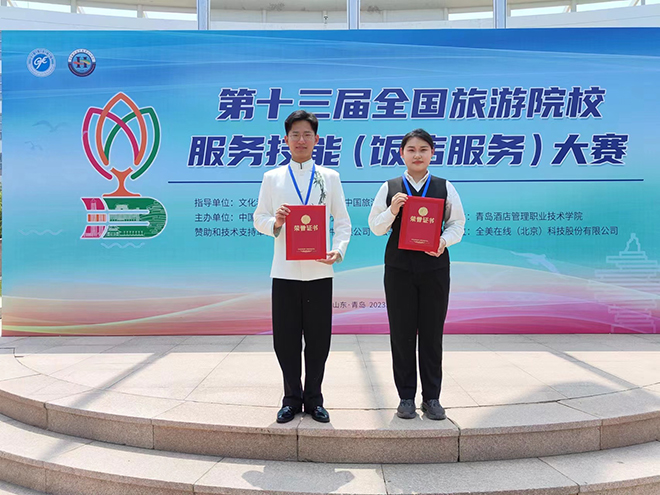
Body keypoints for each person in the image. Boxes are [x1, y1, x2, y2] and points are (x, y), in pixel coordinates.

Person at [254, 110, 351, 424]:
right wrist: (276, 222)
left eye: (307, 134)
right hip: (284, 272)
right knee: (285, 340)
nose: (301, 140)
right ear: (286, 139)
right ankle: (291, 399)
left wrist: (338, 250)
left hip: (320, 271)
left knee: (319, 340)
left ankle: (315, 399)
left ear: (316, 139)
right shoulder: (272, 178)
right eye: (295, 134)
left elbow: (343, 222)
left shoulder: (330, 177)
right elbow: (259, 219)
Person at [368, 128, 465, 420]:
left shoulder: (444, 187)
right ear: (402, 154)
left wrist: (443, 241)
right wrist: (392, 211)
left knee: (432, 333)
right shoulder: (390, 187)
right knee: (402, 333)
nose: (417, 155)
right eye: (411, 149)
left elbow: (457, 224)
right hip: (399, 269)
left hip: (435, 268)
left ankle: (432, 398)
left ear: (432, 153)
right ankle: (406, 397)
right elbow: (375, 227)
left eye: (423, 149)